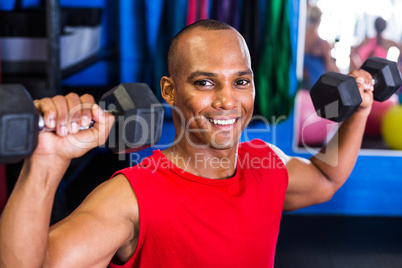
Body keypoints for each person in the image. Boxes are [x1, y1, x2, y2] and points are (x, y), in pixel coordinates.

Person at [0, 19, 374, 267]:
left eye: (241, 82)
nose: (228, 101)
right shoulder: (132, 197)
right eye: (205, 83)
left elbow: (325, 178)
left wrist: (359, 112)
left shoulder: (266, 163)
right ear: (170, 91)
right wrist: (46, 163)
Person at [303, 5, 339, 88]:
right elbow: (329, 66)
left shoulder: (300, 39)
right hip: (315, 86)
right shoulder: (322, 44)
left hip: (300, 83)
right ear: (319, 20)